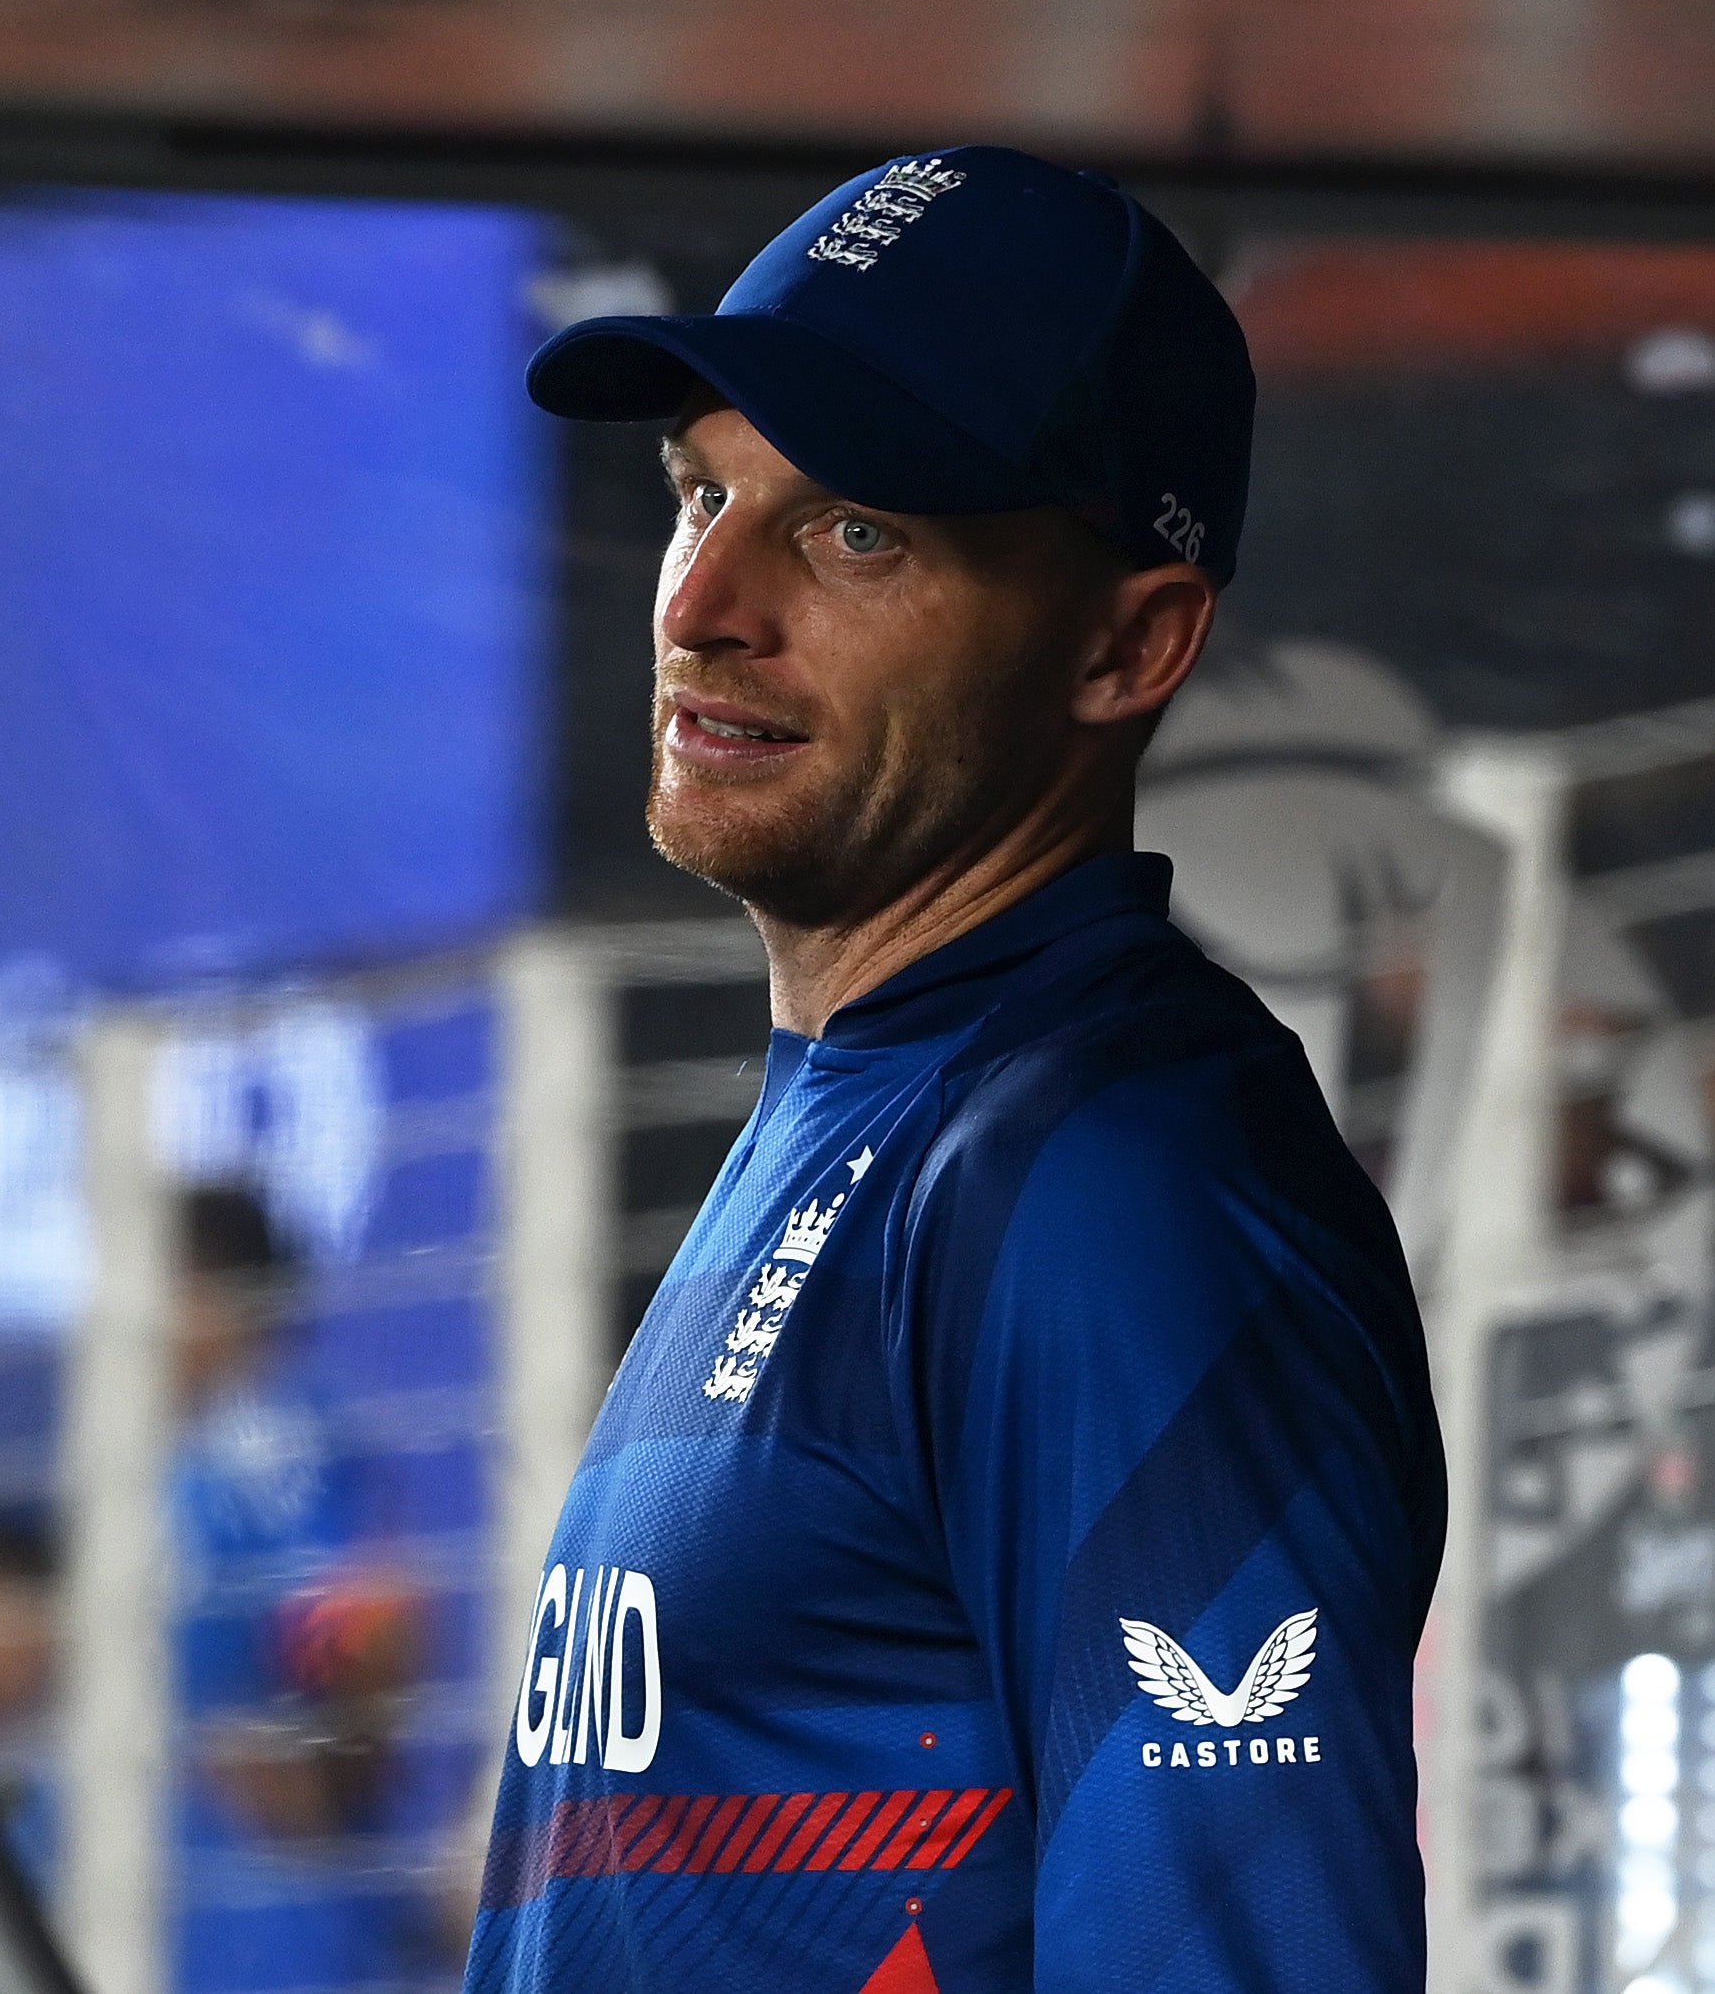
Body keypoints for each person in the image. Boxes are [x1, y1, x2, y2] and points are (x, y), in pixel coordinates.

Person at [466, 149, 1443, 1992]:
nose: (701, 607)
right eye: (700, 493)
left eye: (856, 530)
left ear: (1127, 641)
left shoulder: (1112, 1180)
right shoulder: (898, 1100)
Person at [168, 1185, 422, 1994]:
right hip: (228, 1909)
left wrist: (300, 1805)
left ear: (210, 1287)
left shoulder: (268, 1438)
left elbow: (367, 1626)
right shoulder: (213, 1438)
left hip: (281, 1926)